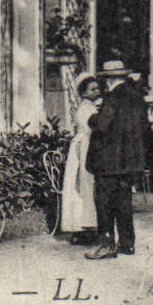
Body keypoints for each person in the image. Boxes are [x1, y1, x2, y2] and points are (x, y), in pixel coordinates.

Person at [85, 59, 150, 260]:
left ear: (109, 79)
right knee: (124, 202)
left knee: (105, 203)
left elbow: (102, 126)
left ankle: (106, 243)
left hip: (108, 161)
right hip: (129, 161)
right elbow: (145, 129)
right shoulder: (137, 97)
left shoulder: (112, 98)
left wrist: (92, 117)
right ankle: (127, 244)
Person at [61, 74, 102, 244]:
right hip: (84, 147)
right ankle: (83, 226)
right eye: (93, 89)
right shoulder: (86, 108)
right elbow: (90, 130)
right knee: (84, 188)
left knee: (87, 188)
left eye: (97, 88)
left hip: (86, 146)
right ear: (84, 93)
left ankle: (89, 226)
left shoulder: (90, 106)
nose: (97, 91)